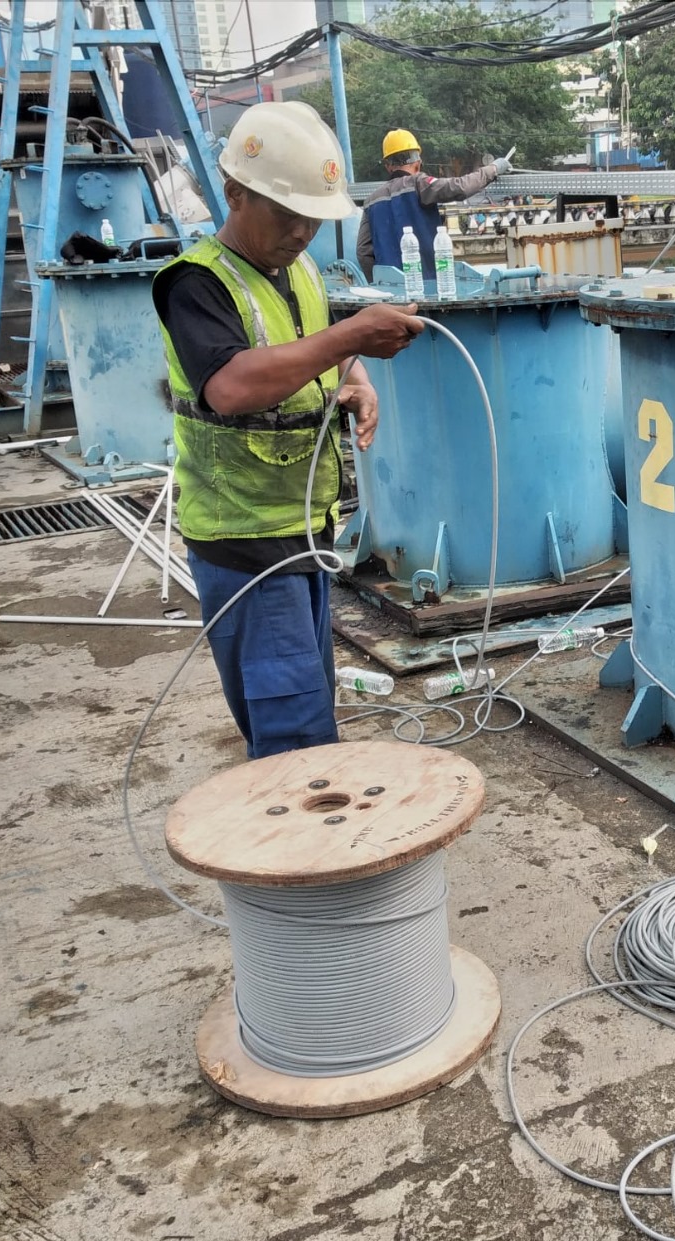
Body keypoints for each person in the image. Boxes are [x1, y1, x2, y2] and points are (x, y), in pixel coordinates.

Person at [153, 101, 425, 760]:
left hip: (301, 531)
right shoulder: (197, 285)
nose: (302, 231)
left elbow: (313, 347)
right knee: (294, 733)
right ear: (235, 192)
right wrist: (352, 333)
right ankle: (302, 854)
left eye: (313, 217)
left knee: (306, 702)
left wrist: (354, 377)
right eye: (286, 212)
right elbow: (232, 386)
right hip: (245, 541)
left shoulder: (296, 271)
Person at [356, 128, 513, 282]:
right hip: (428, 287)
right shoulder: (420, 185)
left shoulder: (371, 201)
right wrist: (493, 169)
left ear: (388, 166)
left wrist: (379, 283)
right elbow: (461, 187)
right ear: (418, 162)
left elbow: (363, 252)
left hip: (390, 293)